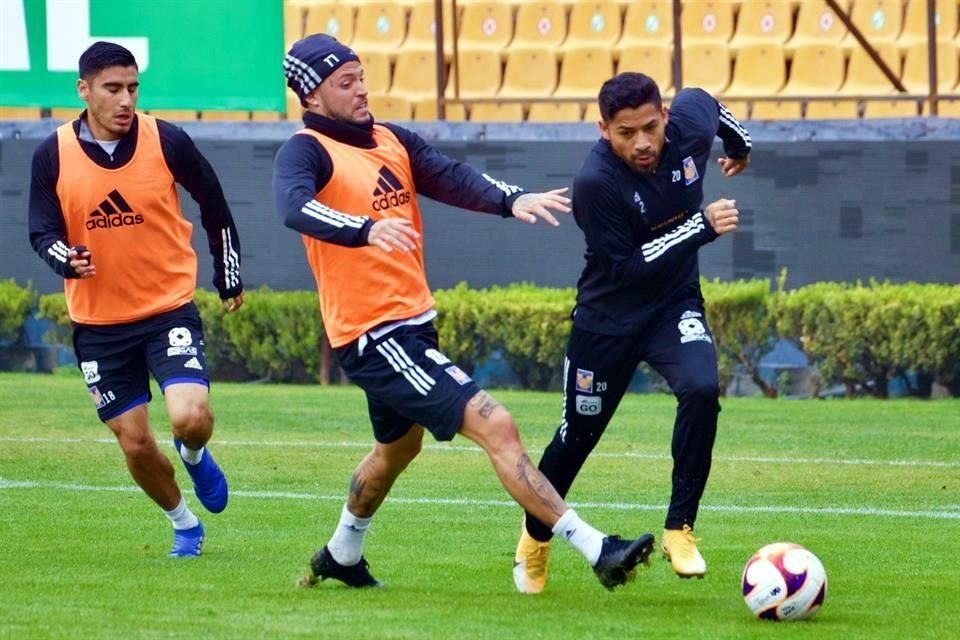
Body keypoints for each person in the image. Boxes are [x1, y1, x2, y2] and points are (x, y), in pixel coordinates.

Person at [273, 34, 654, 591]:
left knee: (398, 447)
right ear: (312, 97)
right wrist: (366, 229)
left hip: (411, 323)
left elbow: (449, 175)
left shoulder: (390, 138)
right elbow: (292, 207)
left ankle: (341, 552)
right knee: (496, 424)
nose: (361, 90)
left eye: (361, 77)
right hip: (374, 334)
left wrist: (510, 199)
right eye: (344, 83)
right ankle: (598, 549)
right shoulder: (304, 149)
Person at [513, 72, 752, 593]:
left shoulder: (686, 127)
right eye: (626, 133)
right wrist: (701, 227)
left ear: (665, 116)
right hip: (608, 319)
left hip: (673, 306)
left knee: (702, 388)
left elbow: (710, 104)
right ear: (604, 130)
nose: (642, 143)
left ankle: (679, 528)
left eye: (650, 127)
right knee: (577, 437)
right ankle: (535, 536)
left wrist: (740, 145)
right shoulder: (595, 184)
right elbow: (628, 269)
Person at [27, 42, 245, 558]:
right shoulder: (51, 154)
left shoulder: (165, 139)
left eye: (133, 88)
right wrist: (64, 257)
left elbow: (213, 202)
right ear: (84, 91)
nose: (126, 100)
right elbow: (41, 230)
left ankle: (194, 455)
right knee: (136, 444)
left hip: (166, 307)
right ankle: (184, 523)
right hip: (99, 325)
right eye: (113, 89)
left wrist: (229, 273)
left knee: (191, 416)